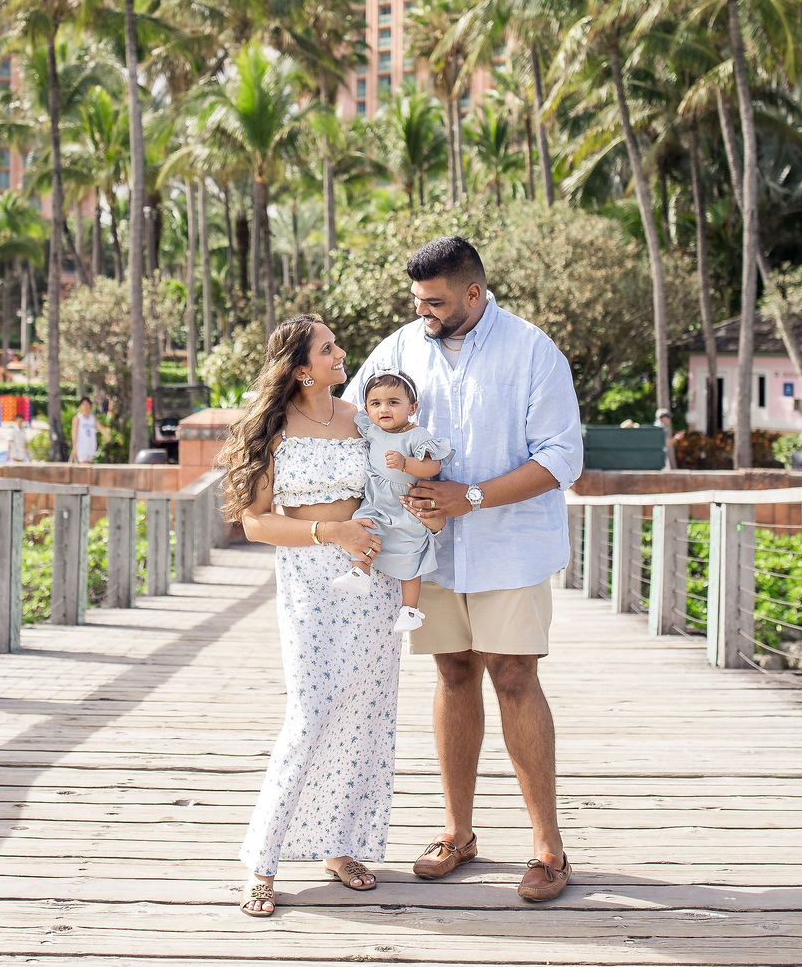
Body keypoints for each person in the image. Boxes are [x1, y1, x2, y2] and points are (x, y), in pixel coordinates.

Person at [342, 235, 583, 905]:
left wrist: (468, 495)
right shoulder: (398, 348)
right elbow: (352, 421)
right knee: (452, 671)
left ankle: (548, 846)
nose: (422, 310)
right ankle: (458, 832)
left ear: (474, 293)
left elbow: (561, 457)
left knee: (513, 673)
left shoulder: (534, 351)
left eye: (436, 301)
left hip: (512, 545)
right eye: (417, 299)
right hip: (428, 551)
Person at [225, 315, 393, 918]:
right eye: (328, 349)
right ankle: (263, 860)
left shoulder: (361, 418)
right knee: (313, 710)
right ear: (300, 370)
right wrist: (331, 531)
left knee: (367, 713)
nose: (340, 353)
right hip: (310, 581)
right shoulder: (274, 431)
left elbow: (396, 480)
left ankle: (341, 846)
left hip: (374, 581)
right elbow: (254, 521)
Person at [334, 370, 450, 633]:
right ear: (367, 408)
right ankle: (360, 572)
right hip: (377, 501)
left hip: (405, 504)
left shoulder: (416, 435)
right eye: (376, 404)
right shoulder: (373, 431)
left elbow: (432, 466)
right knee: (361, 525)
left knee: (411, 552)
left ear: (413, 407)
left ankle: (409, 608)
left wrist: (406, 463)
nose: (383, 409)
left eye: (393, 402)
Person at [71, 397, 99, 464]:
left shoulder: (92, 418)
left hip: (91, 447)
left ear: (90, 405)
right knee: (84, 467)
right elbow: (74, 433)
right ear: (80, 406)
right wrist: (74, 447)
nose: (85, 406)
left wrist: (107, 436)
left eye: (87, 404)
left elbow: (100, 427)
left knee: (88, 467)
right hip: (81, 448)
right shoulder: (77, 418)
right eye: (83, 404)